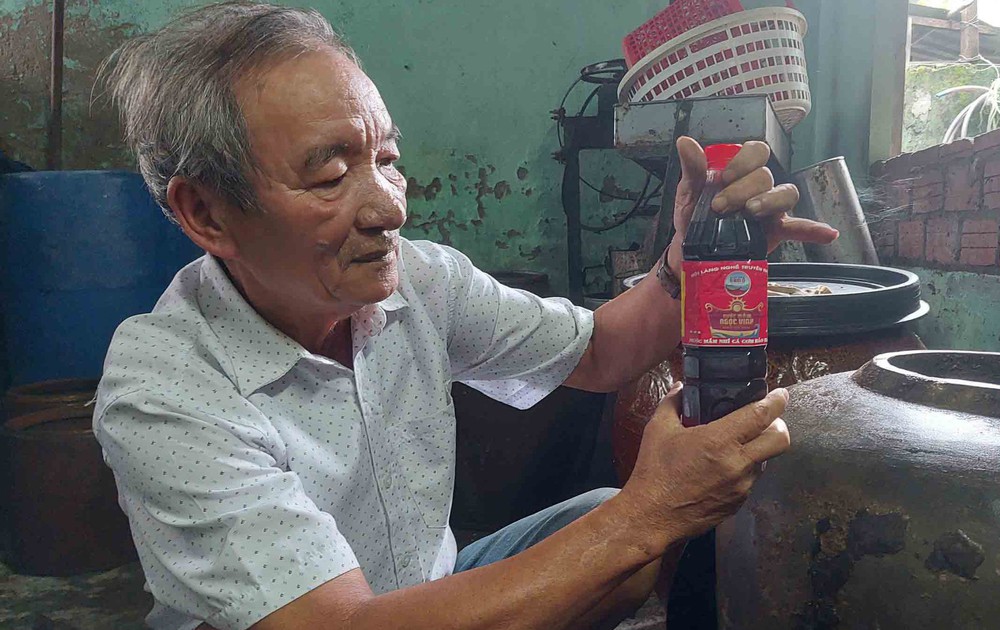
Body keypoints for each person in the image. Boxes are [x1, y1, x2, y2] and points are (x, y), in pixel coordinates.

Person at [93, 3, 838, 629]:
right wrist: (652, 512)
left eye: (387, 158)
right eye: (329, 174)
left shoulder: (417, 282)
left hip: (425, 588)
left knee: (615, 541)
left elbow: (604, 352)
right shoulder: (166, 391)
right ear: (205, 211)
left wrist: (687, 265)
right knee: (628, 528)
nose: (389, 205)